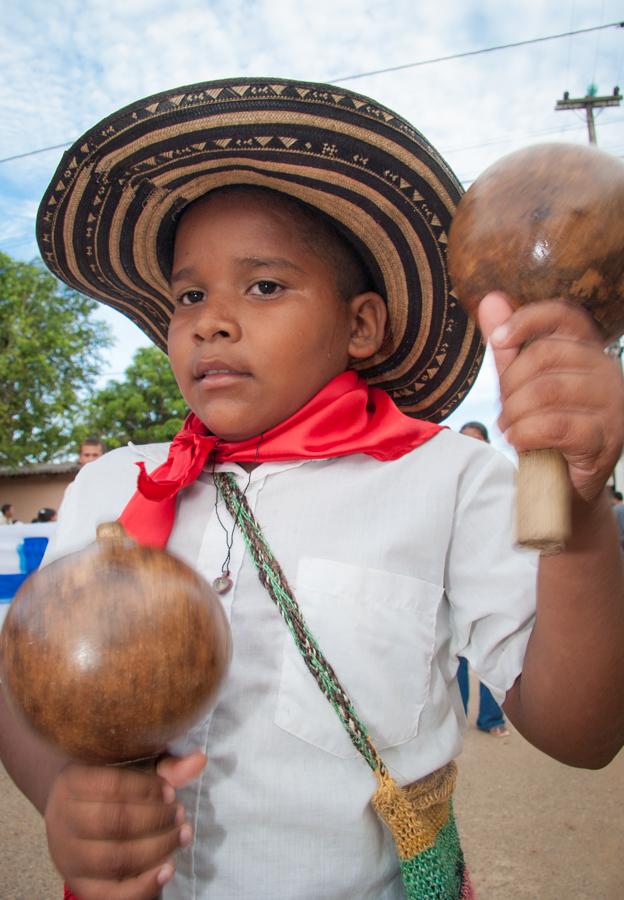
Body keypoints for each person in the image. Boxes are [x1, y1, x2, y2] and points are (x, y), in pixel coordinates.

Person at [1, 78, 623, 900]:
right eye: (190, 294)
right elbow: (21, 682)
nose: (210, 320)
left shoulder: (448, 479)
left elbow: (581, 733)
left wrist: (578, 513)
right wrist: (60, 797)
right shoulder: (114, 484)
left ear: (361, 324)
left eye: (263, 286)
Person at [457, 421, 510, 737]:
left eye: (476, 440)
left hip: (491, 579)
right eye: (463, 441)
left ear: (488, 444)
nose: (470, 446)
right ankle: (456, 716)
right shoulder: (445, 478)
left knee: (495, 650)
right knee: (456, 657)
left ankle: (491, 718)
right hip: (452, 581)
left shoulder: (500, 479)